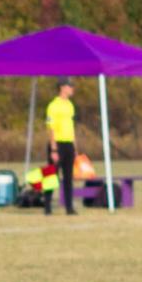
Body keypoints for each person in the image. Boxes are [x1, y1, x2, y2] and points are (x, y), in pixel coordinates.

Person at [46, 77, 79, 215]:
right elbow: (50, 128)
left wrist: (75, 147)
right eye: (70, 86)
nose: (72, 89)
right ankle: (47, 206)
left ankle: (69, 207)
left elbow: (72, 127)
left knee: (68, 177)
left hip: (68, 144)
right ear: (62, 87)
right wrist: (53, 149)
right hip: (57, 144)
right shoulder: (53, 105)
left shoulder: (70, 105)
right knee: (52, 176)